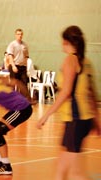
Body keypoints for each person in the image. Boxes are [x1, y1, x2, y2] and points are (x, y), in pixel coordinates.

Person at [37, 25, 101, 180]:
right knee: (61, 169)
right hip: (82, 119)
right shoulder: (87, 62)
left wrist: (45, 115)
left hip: (75, 120)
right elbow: (92, 96)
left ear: (66, 42)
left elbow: (65, 92)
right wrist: (97, 121)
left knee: (75, 173)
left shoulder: (70, 60)